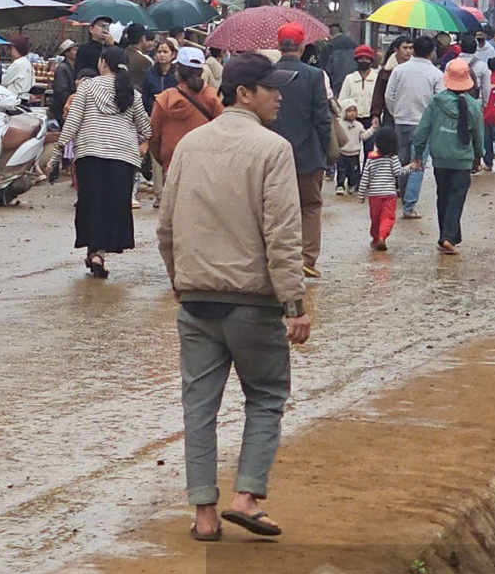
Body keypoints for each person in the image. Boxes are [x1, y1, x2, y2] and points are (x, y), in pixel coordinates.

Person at [156, 50, 311, 541]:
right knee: (266, 396)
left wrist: (180, 280)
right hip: (253, 303)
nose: (279, 95)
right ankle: (246, 496)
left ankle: (204, 515)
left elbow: (165, 226)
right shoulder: (273, 149)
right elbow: (283, 233)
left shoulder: (190, 147)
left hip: (197, 300)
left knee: (198, 408)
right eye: (270, 88)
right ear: (244, 93)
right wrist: (295, 303)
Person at [60, 45, 150, 277]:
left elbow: (73, 122)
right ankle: (99, 253)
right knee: (112, 205)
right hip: (122, 158)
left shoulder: (87, 88)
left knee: (91, 203)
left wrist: (55, 153)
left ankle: (94, 251)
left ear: (102, 63)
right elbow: (146, 127)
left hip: (89, 154)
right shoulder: (131, 93)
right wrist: (143, 143)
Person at [271, 23, 334, 278]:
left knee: (274, 208)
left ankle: (276, 256)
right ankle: (307, 258)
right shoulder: (314, 75)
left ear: (278, 46)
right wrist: (328, 149)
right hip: (307, 153)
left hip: (271, 154)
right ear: (301, 46)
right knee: (310, 205)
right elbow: (322, 117)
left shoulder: (266, 73)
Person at [409, 57, 486, 255]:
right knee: (456, 198)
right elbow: (478, 134)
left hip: (440, 159)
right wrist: (479, 157)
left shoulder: (436, 102)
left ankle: (448, 235)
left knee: (443, 196)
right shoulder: (474, 106)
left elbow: (422, 130)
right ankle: (448, 237)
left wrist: (417, 154)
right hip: (462, 160)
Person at [382, 37, 443, 220]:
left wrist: (396, 113)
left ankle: (401, 195)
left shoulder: (399, 70)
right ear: (431, 52)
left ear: (414, 50)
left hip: (401, 121)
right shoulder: (436, 74)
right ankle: (409, 206)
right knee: (417, 163)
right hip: (423, 124)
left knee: (402, 160)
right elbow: (439, 100)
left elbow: (389, 95)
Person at [151, 46, 222, 199]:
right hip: (206, 166)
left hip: (173, 165)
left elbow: (154, 137)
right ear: (202, 71)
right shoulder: (213, 97)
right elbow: (224, 132)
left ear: (177, 71)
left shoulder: (164, 99)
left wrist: (164, 160)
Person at [334, 44, 380, 193]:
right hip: (351, 119)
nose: (364, 60)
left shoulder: (376, 77)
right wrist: (344, 116)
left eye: (367, 58)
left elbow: (379, 99)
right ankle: (345, 179)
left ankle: (364, 180)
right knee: (348, 151)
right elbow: (342, 99)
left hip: (369, 118)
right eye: (361, 58)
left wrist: (376, 116)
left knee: (369, 151)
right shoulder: (349, 79)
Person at [359, 123, 405, 253]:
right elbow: (398, 172)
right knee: (387, 217)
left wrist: (361, 194)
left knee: (375, 218)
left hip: (374, 195)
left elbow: (365, 177)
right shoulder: (393, 158)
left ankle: (375, 238)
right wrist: (409, 168)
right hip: (389, 194)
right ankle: (382, 237)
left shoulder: (371, 159)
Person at [320, 21, 358, 96]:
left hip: (335, 89)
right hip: (354, 88)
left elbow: (323, 72)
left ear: (329, 35)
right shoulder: (355, 45)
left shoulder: (329, 48)